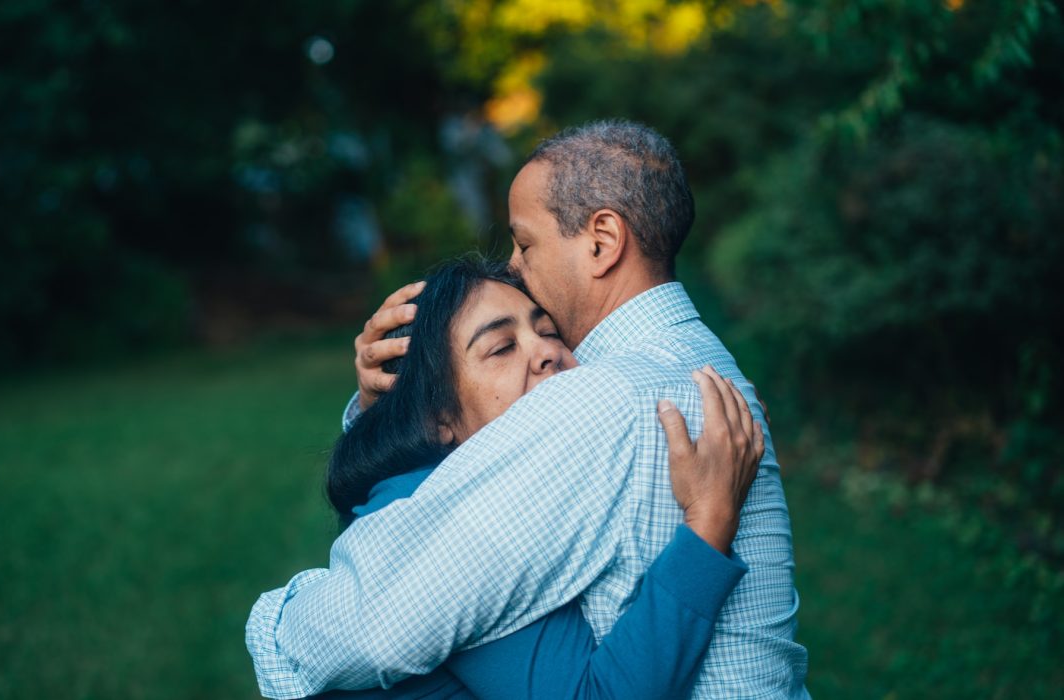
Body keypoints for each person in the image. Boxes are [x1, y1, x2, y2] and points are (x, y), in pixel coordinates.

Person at [248, 120, 809, 698]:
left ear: (602, 241)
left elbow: (371, 625)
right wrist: (387, 406)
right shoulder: (699, 366)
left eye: (525, 242)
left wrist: (277, 622)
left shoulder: (600, 398)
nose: (515, 266)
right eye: (501, 344)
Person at [314, 257, 761, 698]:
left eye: (548, 331)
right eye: (502, 348)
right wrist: (709, 522)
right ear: (437, 418)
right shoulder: (459, 527)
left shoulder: (489, 483)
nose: (548, 351)